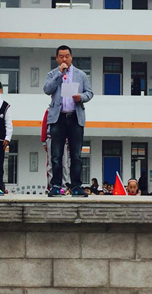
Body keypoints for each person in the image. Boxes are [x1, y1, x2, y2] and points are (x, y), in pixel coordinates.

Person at [44, 45, 93, 197]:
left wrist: (81, 97)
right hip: (58, 118)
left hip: (75, 117)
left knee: (76, 155)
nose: (64, 59)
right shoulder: (52, 74)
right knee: (56, 155)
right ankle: (56, 186)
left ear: (71, 57)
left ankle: (76, 186)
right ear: (57, 58)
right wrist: (59, 73)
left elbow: (89, 93)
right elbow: (47, 89)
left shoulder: (81, 74)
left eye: (67, 56)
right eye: (61, 56)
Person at [41, 107, 70, 190]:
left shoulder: (67, 109)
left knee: (64, 163)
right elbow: (44, 125)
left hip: (64, 139)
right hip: (51, 138)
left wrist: (69, 140)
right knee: (51, 162)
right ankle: (52, 185)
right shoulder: (49, 110)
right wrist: (44, 141)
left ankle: (64, 186)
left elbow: (70, 125)